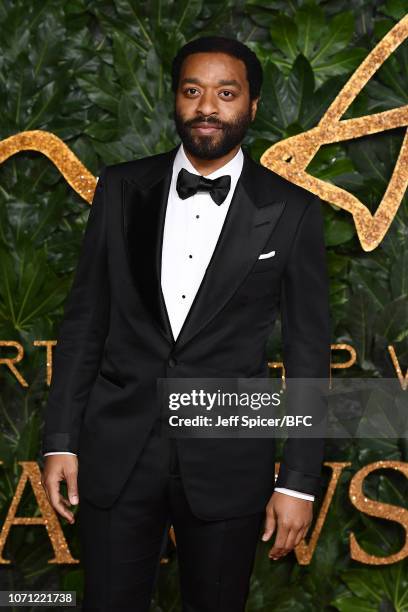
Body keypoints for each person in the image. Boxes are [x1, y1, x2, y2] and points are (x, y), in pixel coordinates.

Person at [41, 36, 331, 612]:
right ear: (174, 99)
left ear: (251, 105)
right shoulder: (121, 188)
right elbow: (84, 325)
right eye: (192, 91)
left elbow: (307, 353)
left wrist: (298, 480)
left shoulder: (292, 210)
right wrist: (60, 441)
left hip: (227, 459)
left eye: (226, 94)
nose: (207, 107)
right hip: (118, 452)